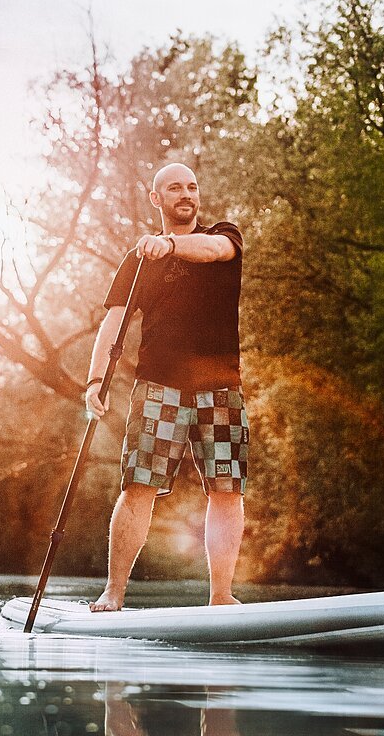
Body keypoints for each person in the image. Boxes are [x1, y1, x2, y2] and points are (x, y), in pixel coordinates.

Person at [85, 162, 246, 612]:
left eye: (192, 186)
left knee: (227, 489)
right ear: (157, 199)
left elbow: (214, 251)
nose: (186, 194)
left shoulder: (224, 234)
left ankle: (221, 597)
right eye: (174, 188)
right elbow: (113, 322)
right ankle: (114, 592)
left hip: (220, 387)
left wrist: (170, 244)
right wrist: (96, 380)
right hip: (158, 386)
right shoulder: (139, 261)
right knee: (138, 486)